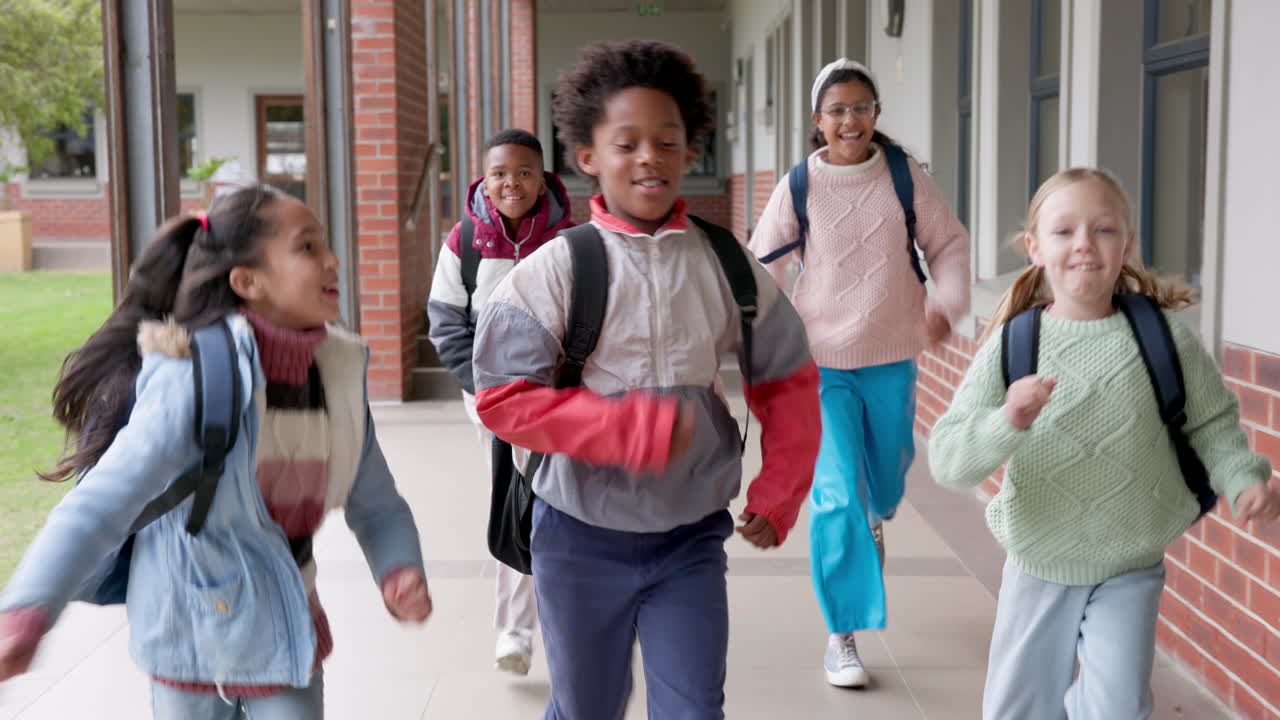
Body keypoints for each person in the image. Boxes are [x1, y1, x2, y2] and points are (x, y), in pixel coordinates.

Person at [470, 39, 822, 720]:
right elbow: (501, 399)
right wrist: (620, 428)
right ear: (588, 158)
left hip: (689, 537)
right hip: (576, 537)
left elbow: (787, 378)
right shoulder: (554, 270)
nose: (648, 157)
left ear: (690, 149)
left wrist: (780, 489)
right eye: (626, 142)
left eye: (667, 140)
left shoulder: (727, 264)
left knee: (694, 709)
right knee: (585, 706)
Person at [0, 185, 433, 719]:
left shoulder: (340, 373)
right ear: (247, 282)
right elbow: (101, 504)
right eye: (307, 248)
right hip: (188, 633)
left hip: (286, 624)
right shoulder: (196, 377)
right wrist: (26, 611)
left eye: (324, 245)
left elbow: (378, 503)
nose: (331, 260)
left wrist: (398, 569)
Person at [928, 167, 1279, 720]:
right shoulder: (1016, 343)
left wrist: (1242, 478)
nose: (1084, 246)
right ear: (1036, 248)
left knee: (1116, 709)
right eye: (1064, 231)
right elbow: (949, 461)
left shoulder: (1163, 337)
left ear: (1127, 243)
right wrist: (1008, 420)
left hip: (1129, 561)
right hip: (1039, 560)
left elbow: (1212, 423)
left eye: (1104, 230)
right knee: (1018, 710)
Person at [747, 58, 971, 688]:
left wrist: (946, 305)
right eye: (837, 110)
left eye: (861, 107)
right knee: (837, 494)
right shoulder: (799, 185)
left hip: (892, 357)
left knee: (883, 486)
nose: (850, 120)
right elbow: (759, 266)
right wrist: (758, 336)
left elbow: (948, 244)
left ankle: (868, 511)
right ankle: (841, 635)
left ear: (877, 115)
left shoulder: (904, 177)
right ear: (819, 122)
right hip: (821, 364)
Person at [426, 127, 573, 675]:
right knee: (526, 499)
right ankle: (518, 628)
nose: (511, 183)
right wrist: (483, 385)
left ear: (543, 177)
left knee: (543, 502)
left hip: (554, 399)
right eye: (499, 174)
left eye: (523, 172)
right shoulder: (463, 243)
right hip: (491, 401)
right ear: (484, 181)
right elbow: (444, 322)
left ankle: (537, 624)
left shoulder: (569, 240)